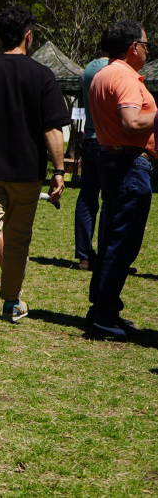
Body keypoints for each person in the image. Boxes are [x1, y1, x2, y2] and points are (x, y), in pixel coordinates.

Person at [0, 5, 69, 335]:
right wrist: (59, 170)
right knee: (18, 239)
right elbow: (52, 130)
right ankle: (11, 302)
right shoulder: (42, 75)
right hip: (26, 172)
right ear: (28, 35)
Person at [86, 20, 156, 337]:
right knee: (123, 244)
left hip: (112, 161)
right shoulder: (125, 76)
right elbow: (130, 120)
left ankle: (103, 307)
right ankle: (104, 314)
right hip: (130, 165)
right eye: (146, 44)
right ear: (133, 47)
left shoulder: (102, 74)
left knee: (111, 239)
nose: (147, 49)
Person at [76, 45, 110, 271]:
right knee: (111, 200)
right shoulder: (113, 69)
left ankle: (84, 256)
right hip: (107, 141)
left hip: (87, 138)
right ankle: (109, 255)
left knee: (87, 199)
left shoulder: (87, 69)